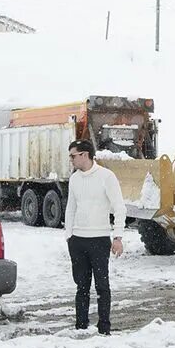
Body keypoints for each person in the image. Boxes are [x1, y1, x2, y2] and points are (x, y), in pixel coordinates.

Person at [64, 138, 127, 334]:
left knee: (102, 285)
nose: (71, 160)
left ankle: (104, 327)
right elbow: (71, 208)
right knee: (81, 286)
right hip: (78, 240)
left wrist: (118, 237)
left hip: (99, 239)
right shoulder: (74, 179)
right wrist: (69, 236)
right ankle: (81, 326)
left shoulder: (106, 176)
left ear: (85, 155)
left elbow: (119, 207)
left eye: (73, 156)